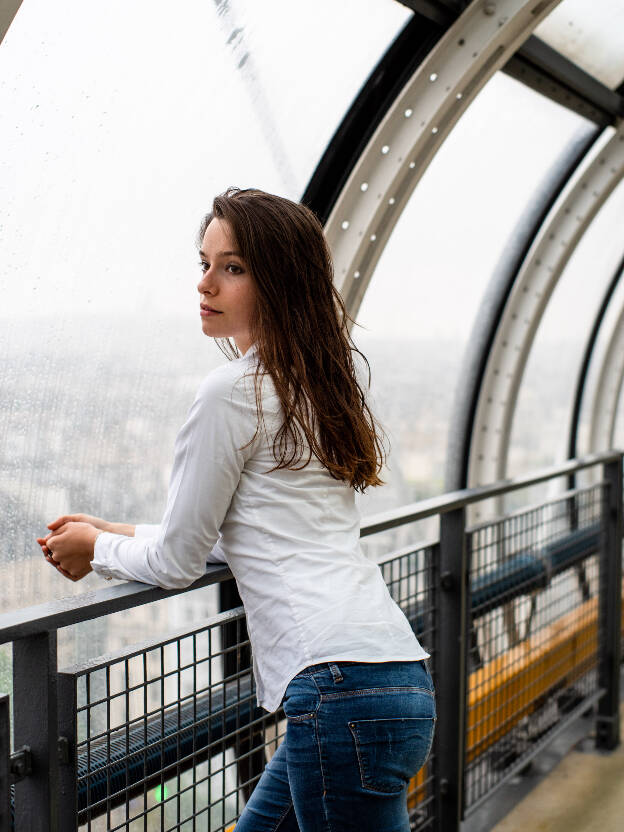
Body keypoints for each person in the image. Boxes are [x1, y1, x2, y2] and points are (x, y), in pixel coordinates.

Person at [37, 187, 435, 831]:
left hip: (334, 692)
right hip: (391, 677)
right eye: (204, 263)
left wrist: (95, 552)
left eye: (233, 267)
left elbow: (176, 561)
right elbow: (248, 535)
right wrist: (115, 531)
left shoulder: (230, 392)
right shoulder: (316, 384)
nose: (206, 283)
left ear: (279, 280)